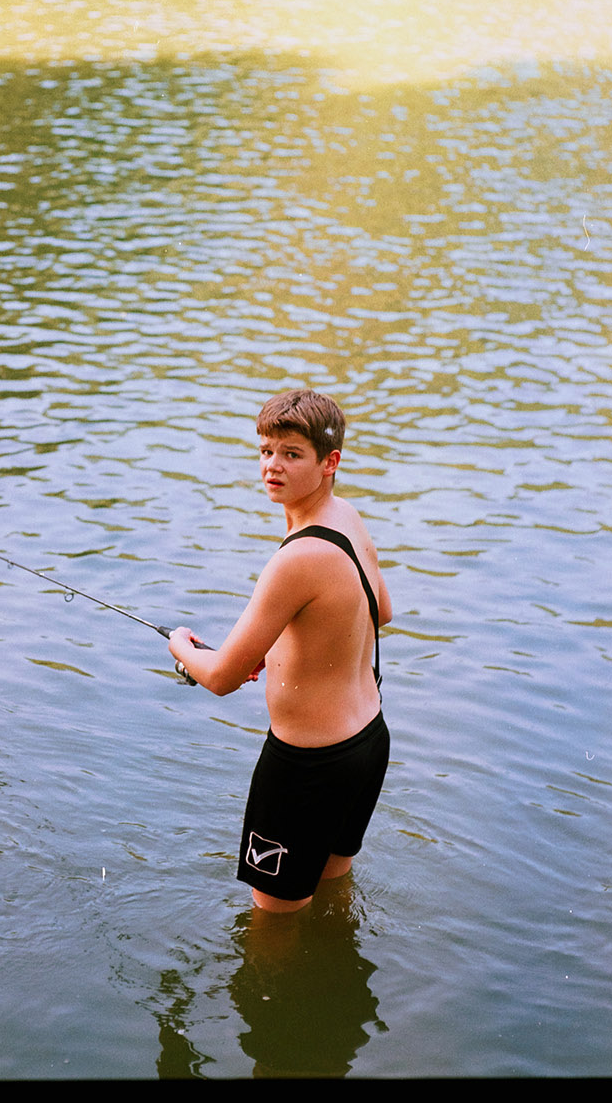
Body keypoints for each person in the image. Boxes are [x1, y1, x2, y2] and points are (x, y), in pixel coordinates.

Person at [167, 389, 392, 913]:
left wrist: (180, 645)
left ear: (329, 462)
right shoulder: (347, 518)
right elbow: (379, 611)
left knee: (273, 928)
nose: (272, 466)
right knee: (332, 895)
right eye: (266, 451)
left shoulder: (295, 559)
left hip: (305, 770)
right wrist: (277, 654)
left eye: (292, 454)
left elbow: (220, 678)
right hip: (365, 745)